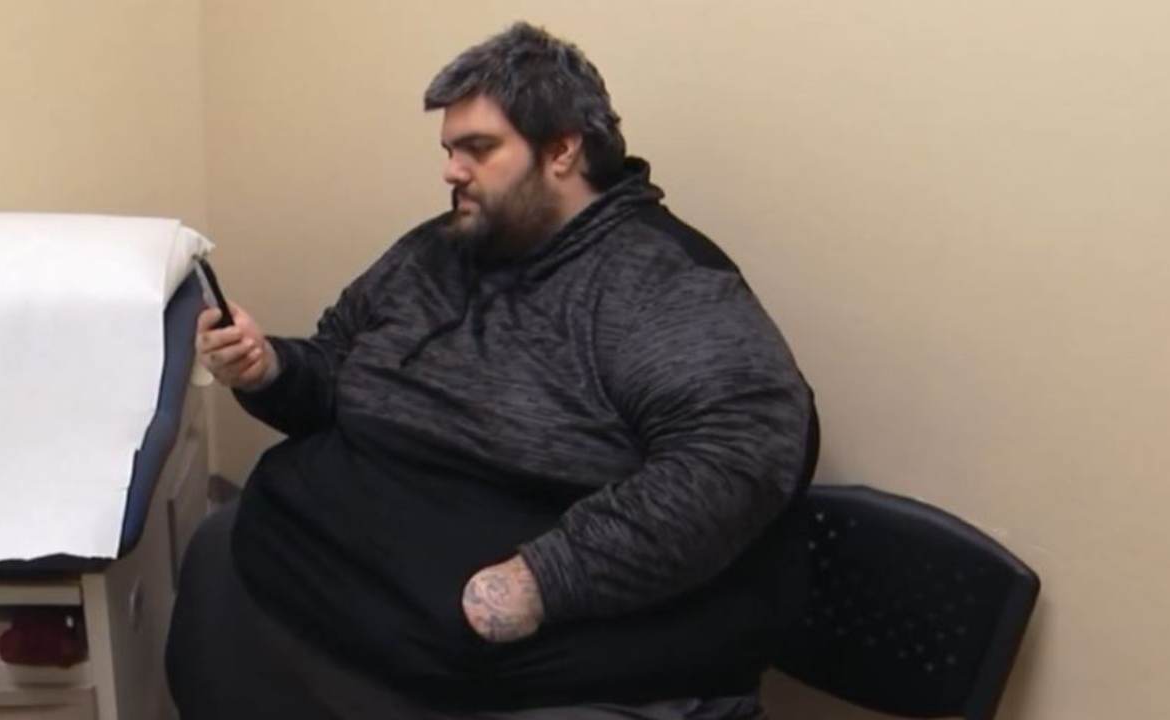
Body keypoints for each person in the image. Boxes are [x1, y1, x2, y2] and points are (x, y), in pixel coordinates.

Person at [167, 21, 816, 720]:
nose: (452, 171)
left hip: (506, 616)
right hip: (345, 558)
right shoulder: (434, 250)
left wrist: (543, 579)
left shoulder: (662, 284)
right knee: (219, 552)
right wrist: (270, 368)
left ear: (562, 149)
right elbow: (336, 367)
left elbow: (740, 453)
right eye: (450, 151)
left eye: (478, 149)